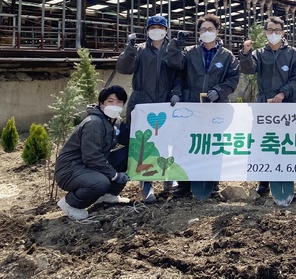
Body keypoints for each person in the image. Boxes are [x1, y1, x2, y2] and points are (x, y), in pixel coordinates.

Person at [166, 13, 240, 199]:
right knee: (185, 143)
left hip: (215, 107)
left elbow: (232, 80)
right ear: (198, 33)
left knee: (212, 145)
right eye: (203, 30)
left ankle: (211, 184)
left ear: (217, 31)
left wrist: (220, 90)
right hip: (191, 106)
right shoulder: (190, 53)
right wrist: (176, 92)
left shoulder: (227, 56)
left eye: (210, 29)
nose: (207, 33)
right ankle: (183, 184)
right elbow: (177, 71)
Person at [116, 14, 182, 203]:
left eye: (160, 27)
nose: (156, 31)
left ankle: (169, 178)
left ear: (167, 30)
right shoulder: (139, 50)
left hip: (165, 102)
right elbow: (123, 68)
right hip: (142, 101)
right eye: (152, 27)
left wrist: (176, 92)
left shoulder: (173, 51)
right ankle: (146, 185)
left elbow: (180, 73)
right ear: (147, 31)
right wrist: (129, 49)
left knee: (169, 141)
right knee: (143, 145)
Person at [239, 16, 296, 197]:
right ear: (265, 32)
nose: (273, 34)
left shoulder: (294, 54)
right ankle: (263, 181)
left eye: (277, 30)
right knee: (265, 142)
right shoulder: (259, 54)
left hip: (288, 106)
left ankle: (288, 180)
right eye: (270, 30)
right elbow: (248, 69)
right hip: (264, 106)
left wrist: (283, 92)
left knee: (287, 143)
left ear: (283, 33)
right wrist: (245, 54)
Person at [55, 85, 131, 220]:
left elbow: (130, 140)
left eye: (119, 102)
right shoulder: (94, 123)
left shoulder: (116, 122)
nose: (115, 105)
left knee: (128, 154)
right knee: (100, 182)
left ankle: (108, 195)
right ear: (102, 103)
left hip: (89, 166)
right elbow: (92, 156)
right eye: (110, 101)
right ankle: (71, 204)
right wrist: (114, 175)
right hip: (71, 169)